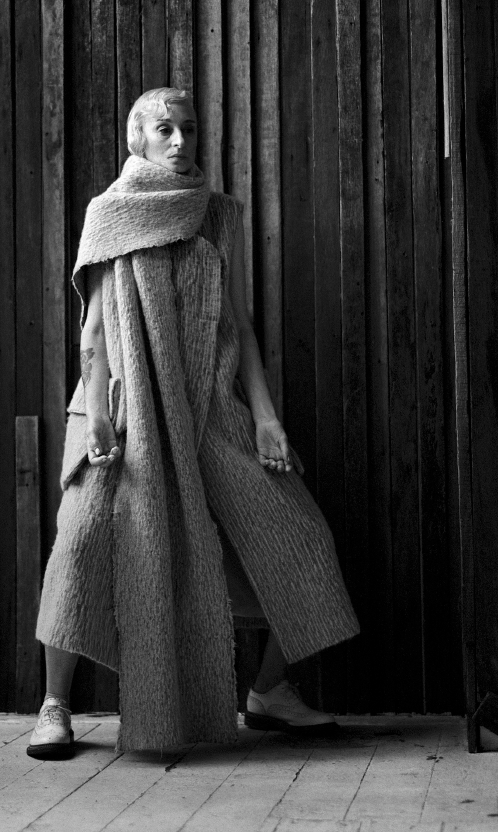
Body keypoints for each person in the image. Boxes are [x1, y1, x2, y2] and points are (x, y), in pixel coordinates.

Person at [28, 87, 358, 759]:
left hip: (209, 407)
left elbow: (239, 323)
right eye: (164, 129)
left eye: (189, 128)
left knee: (301, 537)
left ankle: (268, 693)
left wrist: (265, 419)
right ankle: (54, 704)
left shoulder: (220, 214)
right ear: (138, 138)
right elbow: (93, 331)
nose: (180, 141)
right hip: (120, 410)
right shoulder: (110, 212)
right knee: (80, 548)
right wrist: (99, 418)